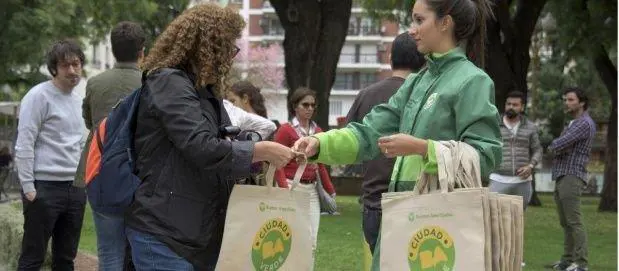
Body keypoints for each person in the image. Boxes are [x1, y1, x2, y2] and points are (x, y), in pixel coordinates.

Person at [293, 0, 501, 269]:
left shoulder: (474, 81)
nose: (411, 30)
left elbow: (487, 156)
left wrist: (423, 148)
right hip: (402, 217)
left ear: (445, 22)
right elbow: (369, 133)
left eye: (418, 20)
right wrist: (319, 143)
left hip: (442, 224)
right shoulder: (416, 82)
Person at [123, 4, 296, 270]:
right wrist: (259, 151)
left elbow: (217, 145)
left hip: (193, 234)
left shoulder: (201, 90)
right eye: (229, 47)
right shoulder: (169, 82)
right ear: (207, 45)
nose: (231, 56)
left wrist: (250, 151)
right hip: (166, 234)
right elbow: (200, 146)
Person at [74, 21, 146, 271]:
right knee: (140, 252)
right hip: (139, 176)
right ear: (142, 52)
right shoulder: (150, 84)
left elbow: (89, 121)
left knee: (108, 253)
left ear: (113, 51)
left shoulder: (95, 83)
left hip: (99, 172)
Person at [345, 32, 426, 254]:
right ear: (423, 59)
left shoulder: (366, 95)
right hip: (417, 199)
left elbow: (352, 141)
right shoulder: (428, 97)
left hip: (374, 199)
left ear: (390, 57)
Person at [15, 39, 87, 270]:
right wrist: (29, 189)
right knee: (32, 259)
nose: (73, 70)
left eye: (76, 64)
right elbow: (24, 143)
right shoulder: (38, 97)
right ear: (54, 68)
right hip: (44, 189)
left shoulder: (79, 101)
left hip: (75, 189)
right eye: (66, 65)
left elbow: (81, 144)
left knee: (65, 260)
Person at [273, 87, 336, 258]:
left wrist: (330, 190)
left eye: (312, 105)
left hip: (312, 190)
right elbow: (276, 162)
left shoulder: (318, 132)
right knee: (292, 238)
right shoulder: (285, 130)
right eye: (305, 104)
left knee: (312, 240)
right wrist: (283, 189)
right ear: (295, 106)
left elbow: (320, 164)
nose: (309, 108)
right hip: (292, 186)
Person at [548, 87, 595, 271]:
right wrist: (558, 146)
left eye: (570, 100)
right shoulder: (573, 123)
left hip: (572, 175)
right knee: (565, 221)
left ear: (581, 102)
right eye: (565, 100)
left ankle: (581, 263)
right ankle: (567, 260)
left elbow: (559, 144)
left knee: (574, 221)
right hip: (562, 173)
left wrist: (554, 146)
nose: (566, 103)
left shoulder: (584, 123)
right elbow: (561, 145)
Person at [489, 91, 543, 208]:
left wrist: (530, 166)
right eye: (508, 104)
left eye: (515, 105)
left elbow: (537, 150)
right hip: (498, 178)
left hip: (522, 181)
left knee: (518, 219)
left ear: (522, 107)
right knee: (494, 217)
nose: (511, 107)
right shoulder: (494, 125)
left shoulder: (530, 127)